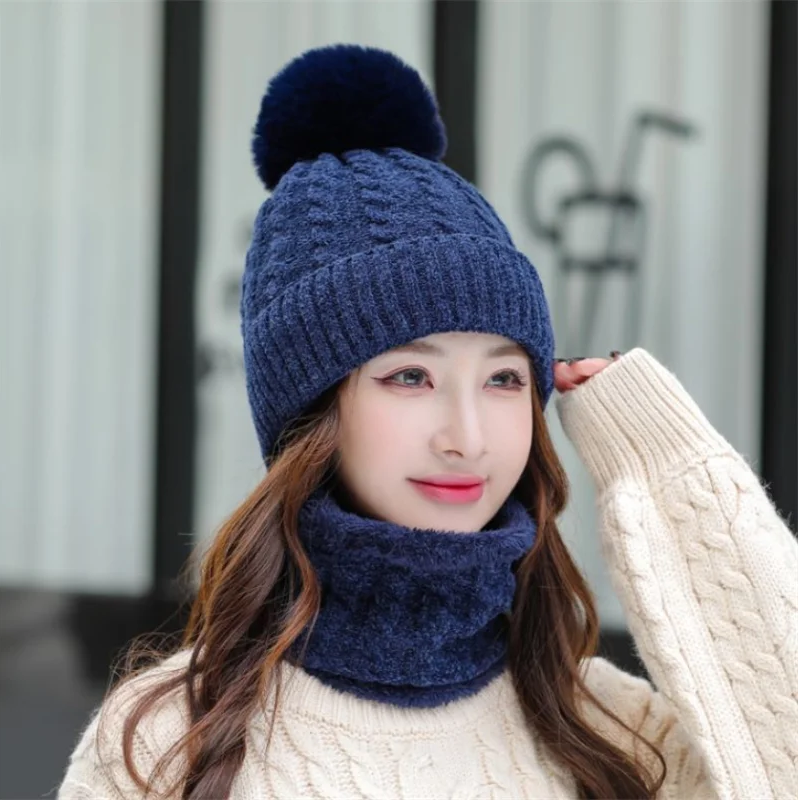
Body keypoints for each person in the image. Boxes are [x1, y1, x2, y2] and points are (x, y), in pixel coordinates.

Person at [58, 45, 797, 800]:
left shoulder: (612, 732)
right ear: (311, 411)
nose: (467, 437)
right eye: (411, 376)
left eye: (504, 379)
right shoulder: (165, 741)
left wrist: (666, 463)